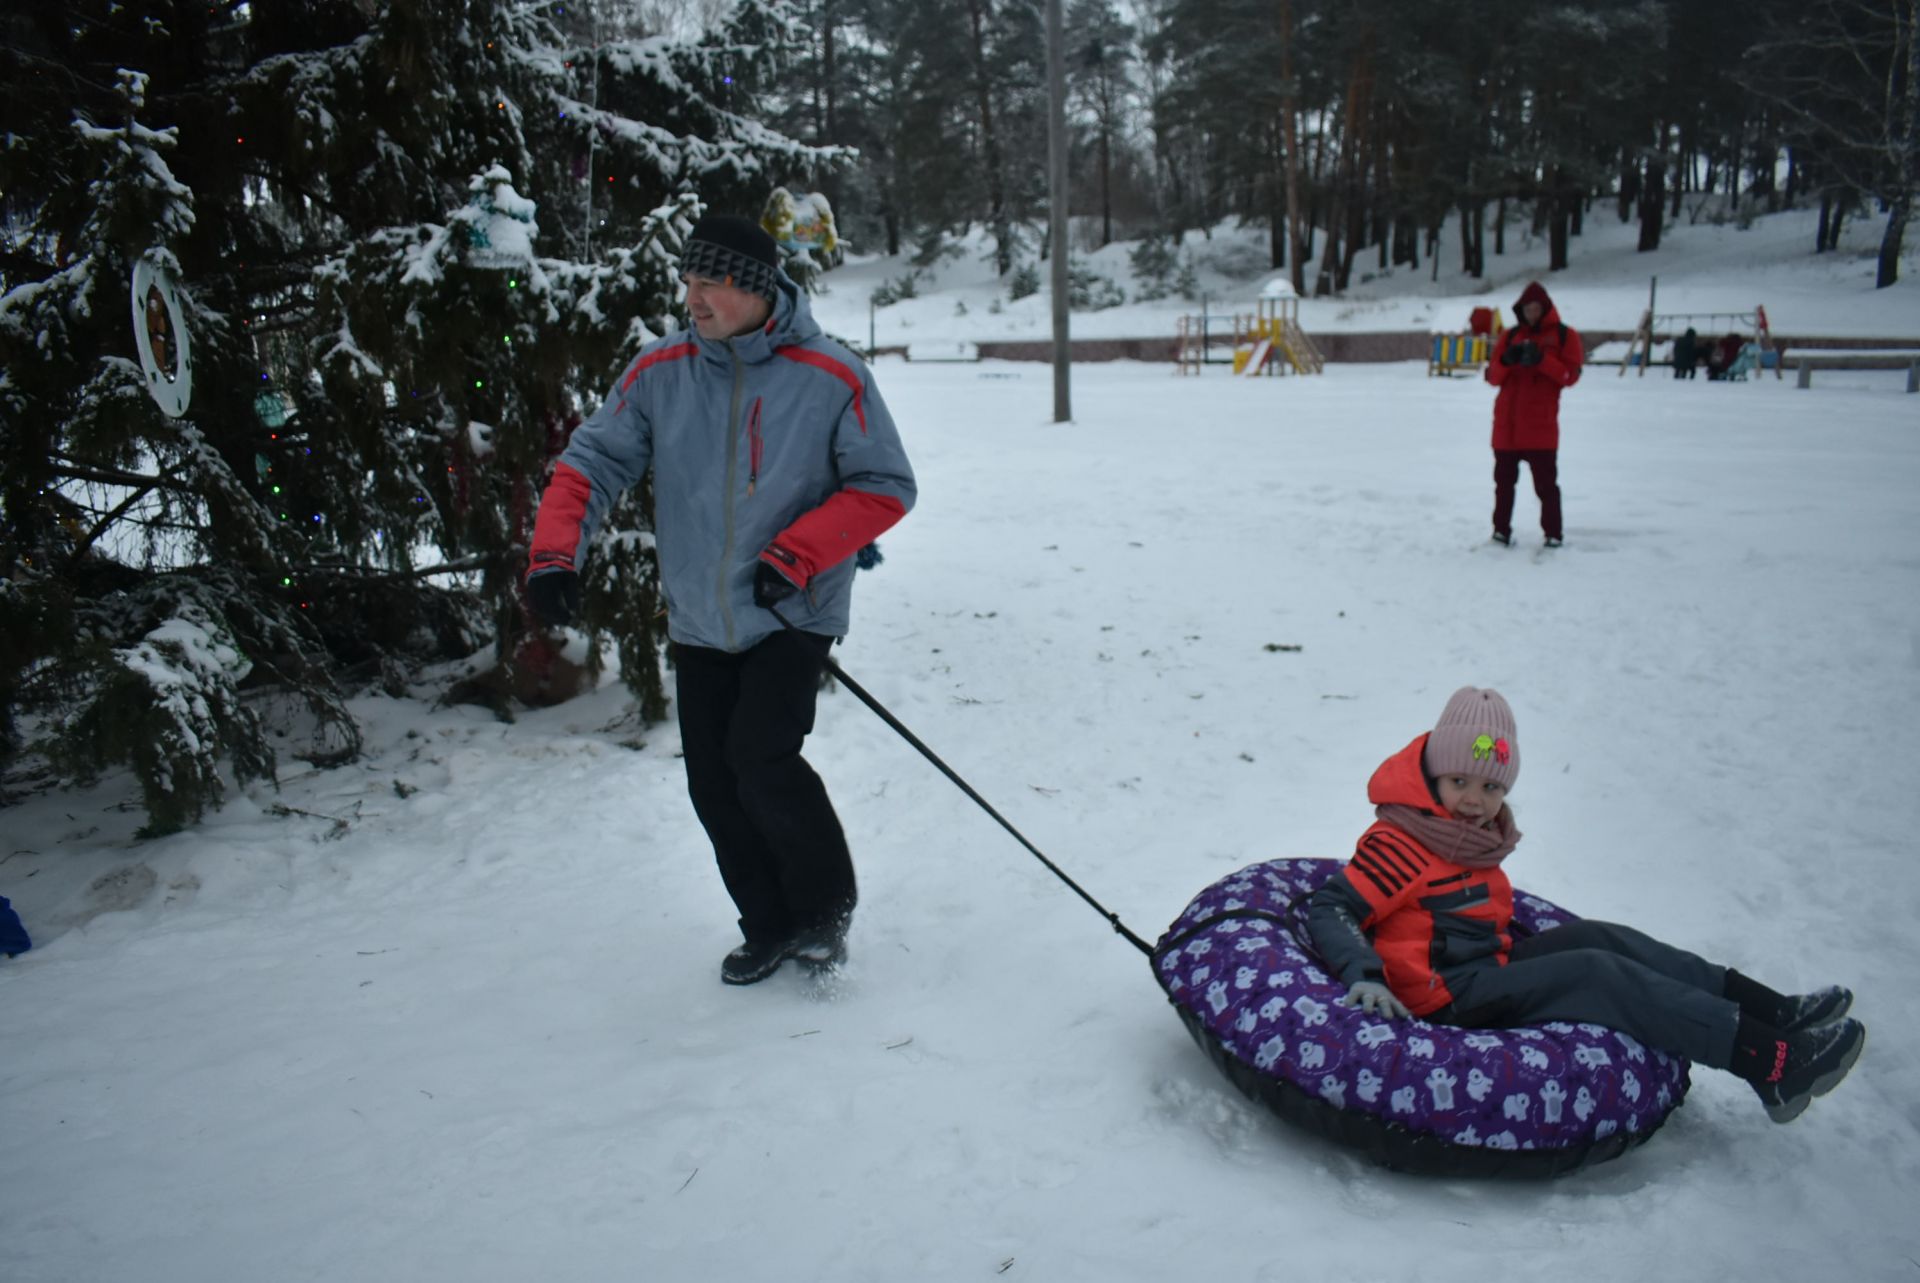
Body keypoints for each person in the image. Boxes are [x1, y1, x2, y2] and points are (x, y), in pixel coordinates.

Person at [525, 213, 917, 985]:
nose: (692, 295)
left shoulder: (831, 375)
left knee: (761, 757)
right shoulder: (660, 371)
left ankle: (821, 912)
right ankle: (767, 924)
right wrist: (554, 556)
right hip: (701, 617)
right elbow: (591, 463)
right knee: (713, 781)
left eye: (710, 281)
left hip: (791, 608)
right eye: (688, 279)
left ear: (756, 288)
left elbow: (885, 484)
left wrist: (798, 554)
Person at [1305, 687, 1866, 1124]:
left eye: (1492, 788)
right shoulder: (1405, 841)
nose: (1476, 800)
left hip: (1480, 969)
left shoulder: (1463, 834)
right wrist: (1365, 974)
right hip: (1438, 995)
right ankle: (1770, 1063)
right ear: (1431, 775)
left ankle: (1773, 1010)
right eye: (1459, 781)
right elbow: (1333, 907)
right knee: (1596, 974)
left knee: (1603, 938)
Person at [1484, 281, 1582, 549]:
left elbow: (1569, 376)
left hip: (1540, 428)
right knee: (1503, 486)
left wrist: (1541, 360)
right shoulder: (1510, 336)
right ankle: (1500, 531)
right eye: (1528, 309)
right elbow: (1492, 377)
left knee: (1546, 487)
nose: (1532, 314)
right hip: (1507, 427)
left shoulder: (1564, 336)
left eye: (1537, 308)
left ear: (1546, 309)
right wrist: (1506, 361)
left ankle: (1553, 533)